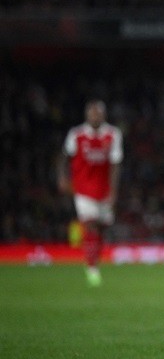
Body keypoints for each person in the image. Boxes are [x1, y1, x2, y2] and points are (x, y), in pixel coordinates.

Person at [57, 100, 123, 287]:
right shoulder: (76, 134)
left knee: (102, 227)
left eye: (98, 113)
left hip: (104, 190)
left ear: (104, 115)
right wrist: (62, 177)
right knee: (91, 225)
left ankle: (94, 259)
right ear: (87, 115)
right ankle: (92, 268)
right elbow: (63, 157)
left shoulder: (113, 134)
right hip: (83, 188)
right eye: (91, 113)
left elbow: (116, 164)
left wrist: (113, 191)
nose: (94, 116)